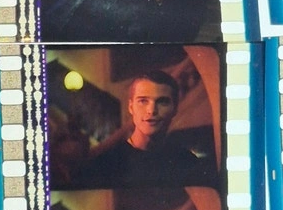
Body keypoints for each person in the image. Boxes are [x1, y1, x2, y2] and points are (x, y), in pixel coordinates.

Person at [75, 69, 215, 189]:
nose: (151, 110)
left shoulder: (186, 161)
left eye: (162, 102)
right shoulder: (105, 164)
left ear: (175, 109)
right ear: (131, 107)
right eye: (143, 101)